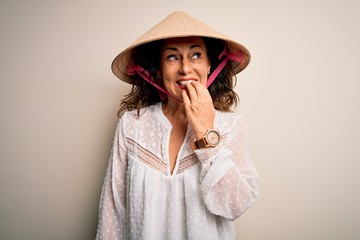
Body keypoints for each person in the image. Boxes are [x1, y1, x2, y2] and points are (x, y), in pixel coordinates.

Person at [96, 11, 259, 240]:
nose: (185, 68)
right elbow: (112, 212)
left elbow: (234, 205)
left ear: (210, 65)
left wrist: (205, 131)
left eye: (196, 55)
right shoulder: (131, 125)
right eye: (172, 57)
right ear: (159, 70)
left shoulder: (233, 125)